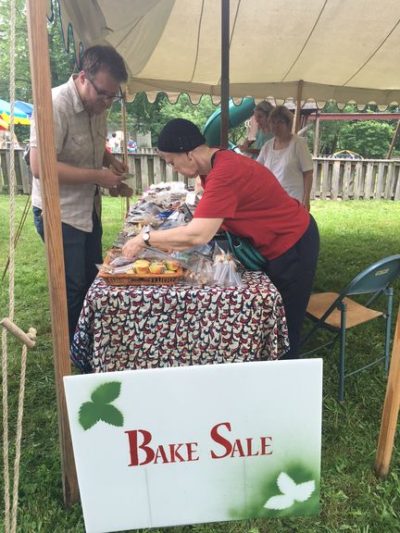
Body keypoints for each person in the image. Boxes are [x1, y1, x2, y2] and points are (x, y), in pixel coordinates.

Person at [122, 118, 319, 359]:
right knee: (273, 318)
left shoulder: (225, 172)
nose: (173, 168)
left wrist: (145, 237)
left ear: (189, 154)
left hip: (294, 240)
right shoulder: (214, 166)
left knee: (287, 324)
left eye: (172, 161)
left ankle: (285, 377)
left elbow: (198, 233)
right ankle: (265, 366)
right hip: (276, 240)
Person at [30, 45, 133, 343]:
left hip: (88, 208)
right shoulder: (53, 104)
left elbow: (90, 144)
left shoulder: (97, 103)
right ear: (83, 77)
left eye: (113, 96)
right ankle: (76, 351)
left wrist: (109, 160)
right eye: (103, 94)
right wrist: (98, 177)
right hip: (59, 212)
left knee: (92, 279)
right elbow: (39, 166)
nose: (107, 103)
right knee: (71, 286)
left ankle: (92, 340)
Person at [257, 105, 313, 210]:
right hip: (271, 200)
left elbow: (308, 173)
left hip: (293, 200)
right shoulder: (267, 146)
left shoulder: (298, 143)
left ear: (288, 124)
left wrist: (306, 199)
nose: (275, 126)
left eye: (280, 122)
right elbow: (256, 169)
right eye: (273, 122)